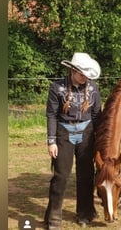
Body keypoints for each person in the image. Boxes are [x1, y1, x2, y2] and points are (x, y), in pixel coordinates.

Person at [44, 52, 102, 229]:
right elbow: (52, 115)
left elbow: (97, 116)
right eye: (81, 74)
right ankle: (53, 218)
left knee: (86, 175)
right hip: (64, 132)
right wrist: (51, 141)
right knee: (61, 176)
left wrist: (100, 141)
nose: (85, 77)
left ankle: (85, 213)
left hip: (87, 133)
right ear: (72, 70)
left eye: (86, 74)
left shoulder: (93, 89)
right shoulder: (57, 88)